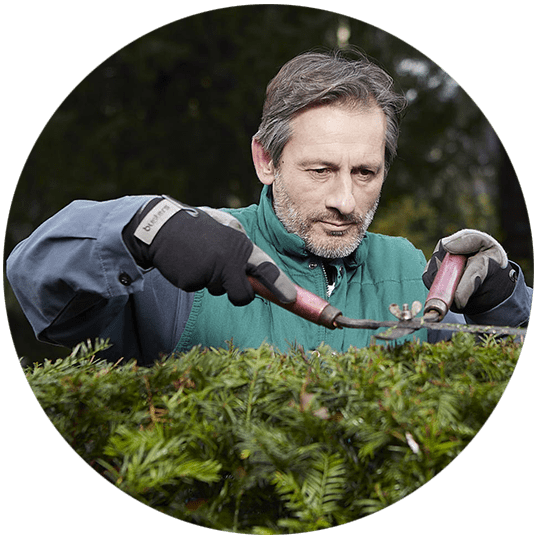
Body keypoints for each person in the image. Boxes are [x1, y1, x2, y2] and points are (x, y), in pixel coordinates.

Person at [6, 49, 532, 365]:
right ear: (266, 159)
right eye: (320, 170)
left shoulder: (410, 273)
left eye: (365, 173)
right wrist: (139, 228)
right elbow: (34, 283)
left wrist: (501, 302)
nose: (345, 201)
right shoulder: (185, 259)